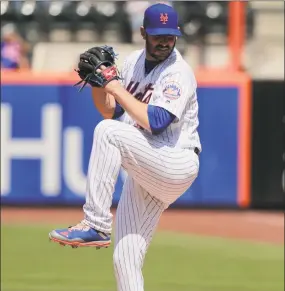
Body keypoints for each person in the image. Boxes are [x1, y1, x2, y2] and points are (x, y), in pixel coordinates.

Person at [49, 3, 201, 291]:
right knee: (125, 258)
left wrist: (115, 86)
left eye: (170, 35)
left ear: (177, 35)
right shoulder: (133, 62)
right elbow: (112, 113)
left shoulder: (178, 71)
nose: (164, 41)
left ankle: (95, 224)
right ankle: (98, 229)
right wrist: (98, 84)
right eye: (158, 35)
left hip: (175, 162)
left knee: (107, 133)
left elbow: (156, 120)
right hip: (147, 163)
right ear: (143, 32)